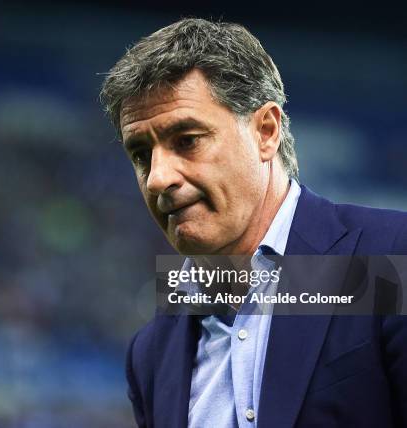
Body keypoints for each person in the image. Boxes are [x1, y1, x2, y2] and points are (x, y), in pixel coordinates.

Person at [99, 18, 407, 428]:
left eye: (187, 140)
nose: (158, 177)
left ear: (266, 131)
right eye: (141, 154)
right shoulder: (150, 354)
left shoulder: (391, 259)